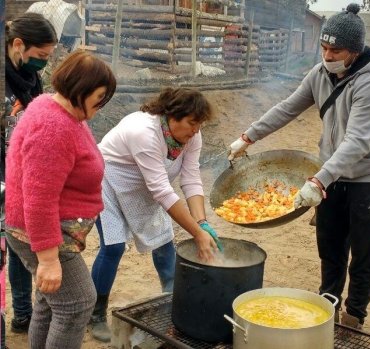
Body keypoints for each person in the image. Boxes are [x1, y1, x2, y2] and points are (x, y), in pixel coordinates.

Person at [228, 3, 370, 329]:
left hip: (368, 177)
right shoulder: (320, 73)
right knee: (330, 245)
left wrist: (319, 181)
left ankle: (354, 315)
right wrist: (248, 136)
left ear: (355, 51)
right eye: (324, 47)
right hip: (330, 174)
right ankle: (328, 305)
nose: (328, 55)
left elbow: (359, 141)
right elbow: (288, 107)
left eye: (336, 50)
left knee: (363, 250)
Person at [89, 87, 221, 342]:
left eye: (199, 124)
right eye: (192, 123)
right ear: (172, 116)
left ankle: (173, 302)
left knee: (163, 242)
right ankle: (94, 315)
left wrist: (202, 223)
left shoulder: (193, 136)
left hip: (145, 182)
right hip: (109, 179)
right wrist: (196, 233)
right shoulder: (145, 132)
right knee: (113, 247)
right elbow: (162, 191)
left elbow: (191, 178)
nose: (195, 130)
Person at [4, 50, 116, 348]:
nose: (101, 105)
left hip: (42, 231)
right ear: (81, 89)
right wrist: (49, 259)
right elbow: (38, 199)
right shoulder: (54, 128)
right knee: (78, 302)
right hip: (41, 235)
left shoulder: (55, 108)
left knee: (49, 303)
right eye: (100, 97)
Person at [3, 12, 58, 334]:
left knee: (21, 240)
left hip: (23, 170)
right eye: (40, 57)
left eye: (47, 58)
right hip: (3, 171)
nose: (42, 65)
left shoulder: (30, 78)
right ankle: (20, 310)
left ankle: (24, 315)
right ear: (18, 44)